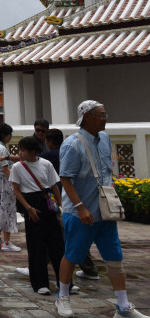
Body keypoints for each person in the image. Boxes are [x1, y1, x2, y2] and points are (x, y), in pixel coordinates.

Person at [55, 101, 149, 318]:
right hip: (80, 212)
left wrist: (113, 198)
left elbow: (107, 171)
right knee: (72, 255)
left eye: (105, 114)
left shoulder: (105, 139)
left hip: (105, 211)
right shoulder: (72, 145)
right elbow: (65, 179)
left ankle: (123, 305)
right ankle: (62, 296)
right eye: (101, 115)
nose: (105, 118)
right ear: (86, 117)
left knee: (114, 256)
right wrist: (80, 208)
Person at [43, 128, 100, 282]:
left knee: (63, 235)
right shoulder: (72, 150)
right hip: (75, 200)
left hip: (65, 200)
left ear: (50, 142)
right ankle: (89, 269)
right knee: (72, 236)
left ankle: (42, 268)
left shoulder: (49, 157)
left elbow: (62, 179)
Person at [10, 136, 64, 295]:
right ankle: (40, 282)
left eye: (23, 150)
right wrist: (28, 208)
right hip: (31, 202)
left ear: (33, 151)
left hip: (46, 201)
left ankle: (65, 281)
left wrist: (61, 204)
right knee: (36, 245)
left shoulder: (45, 164)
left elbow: (54, 185)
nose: (20, 153)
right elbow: (16, 190)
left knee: (57, 244)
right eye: (19, 149)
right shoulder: (17, 167)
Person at [0, 123, 20, 253]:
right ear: (5, 135)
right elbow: (5, 168)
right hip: (4, 182)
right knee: (7, 210)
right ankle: (6, 242)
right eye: (9, 135)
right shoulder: (1, 149)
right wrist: (14, 184)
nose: (10, 137)